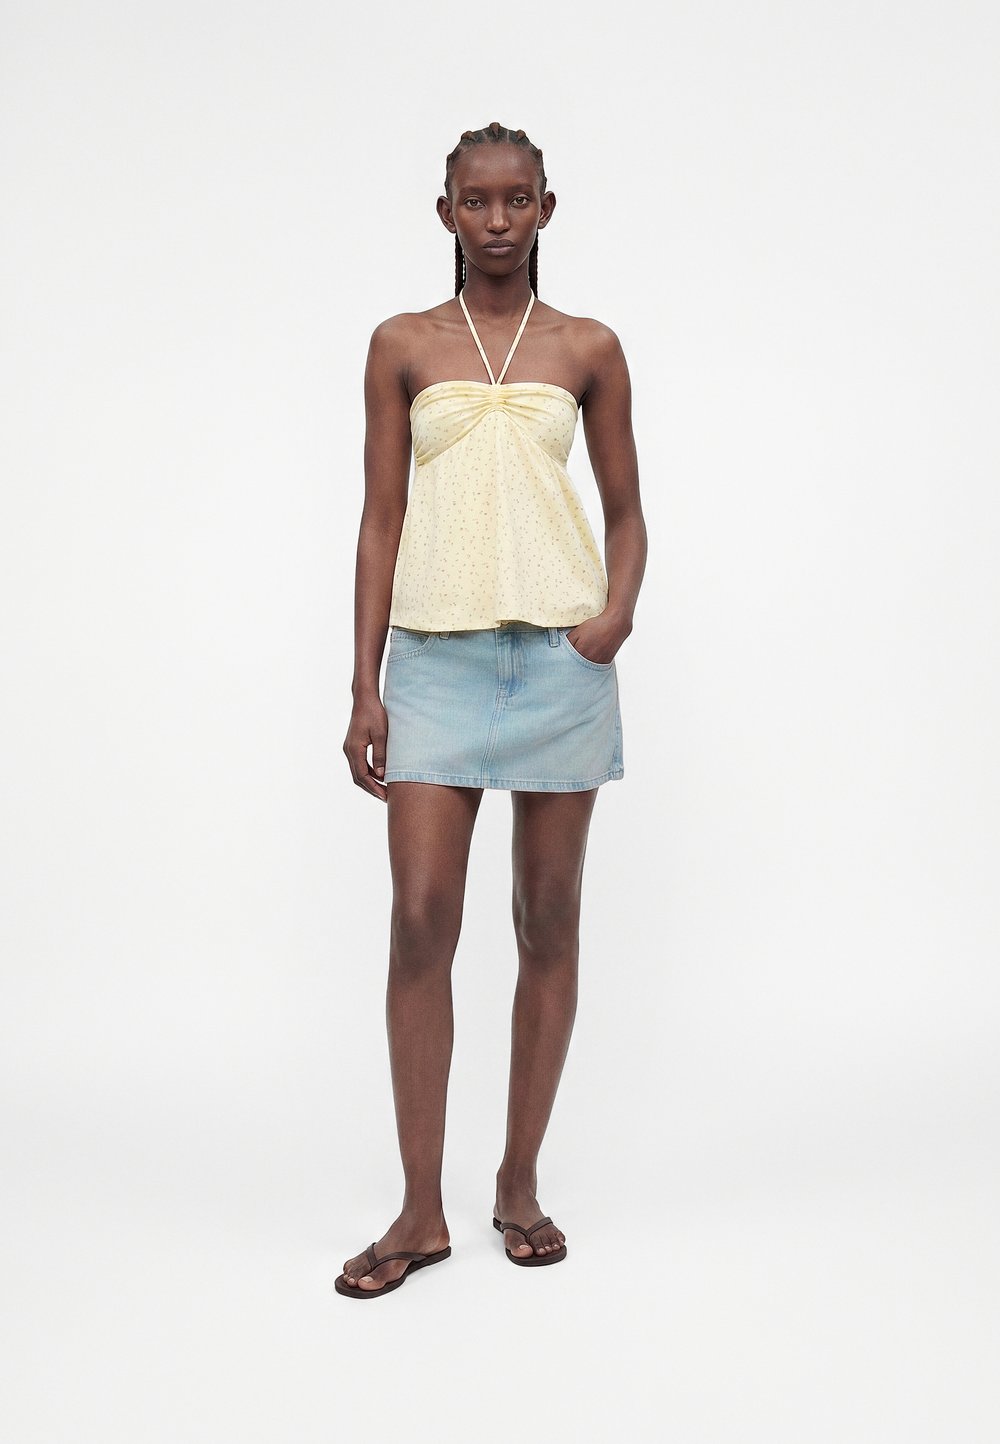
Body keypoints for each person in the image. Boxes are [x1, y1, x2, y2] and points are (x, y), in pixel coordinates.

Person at [337, 122, 647, 1297]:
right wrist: (364, 679)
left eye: (518, 199)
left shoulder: (588, 347)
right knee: (421, 917)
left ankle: (517, 1183)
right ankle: (420, 1211)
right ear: (446, 213)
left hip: (559, 665)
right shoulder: (402, 345)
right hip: (434, 660)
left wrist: (610, 620)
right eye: (477, 200)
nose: (498, 219)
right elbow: (379, 517)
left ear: (547, 209)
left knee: (547, 919)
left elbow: (627, 510)